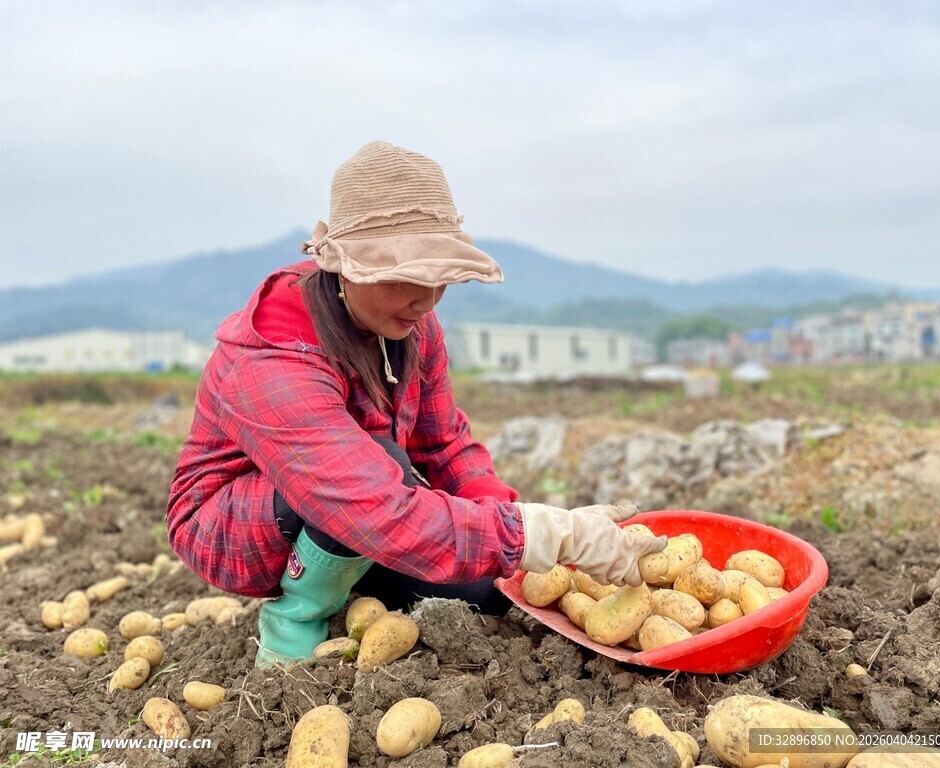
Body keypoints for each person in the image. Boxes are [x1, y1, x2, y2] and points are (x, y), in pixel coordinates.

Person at [166, 140, 666, 667]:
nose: (426, 300)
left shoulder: (411, 327)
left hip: (366, 509)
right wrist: (538, 535)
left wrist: (511, 521)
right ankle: (295, 618)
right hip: (240, 525)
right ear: (346, 267)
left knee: (489, 594)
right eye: (406, 277)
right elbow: (372, 505)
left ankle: (349, 588)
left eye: (436, 278)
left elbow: (444, 443)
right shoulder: (273, 358)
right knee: (384, 465)